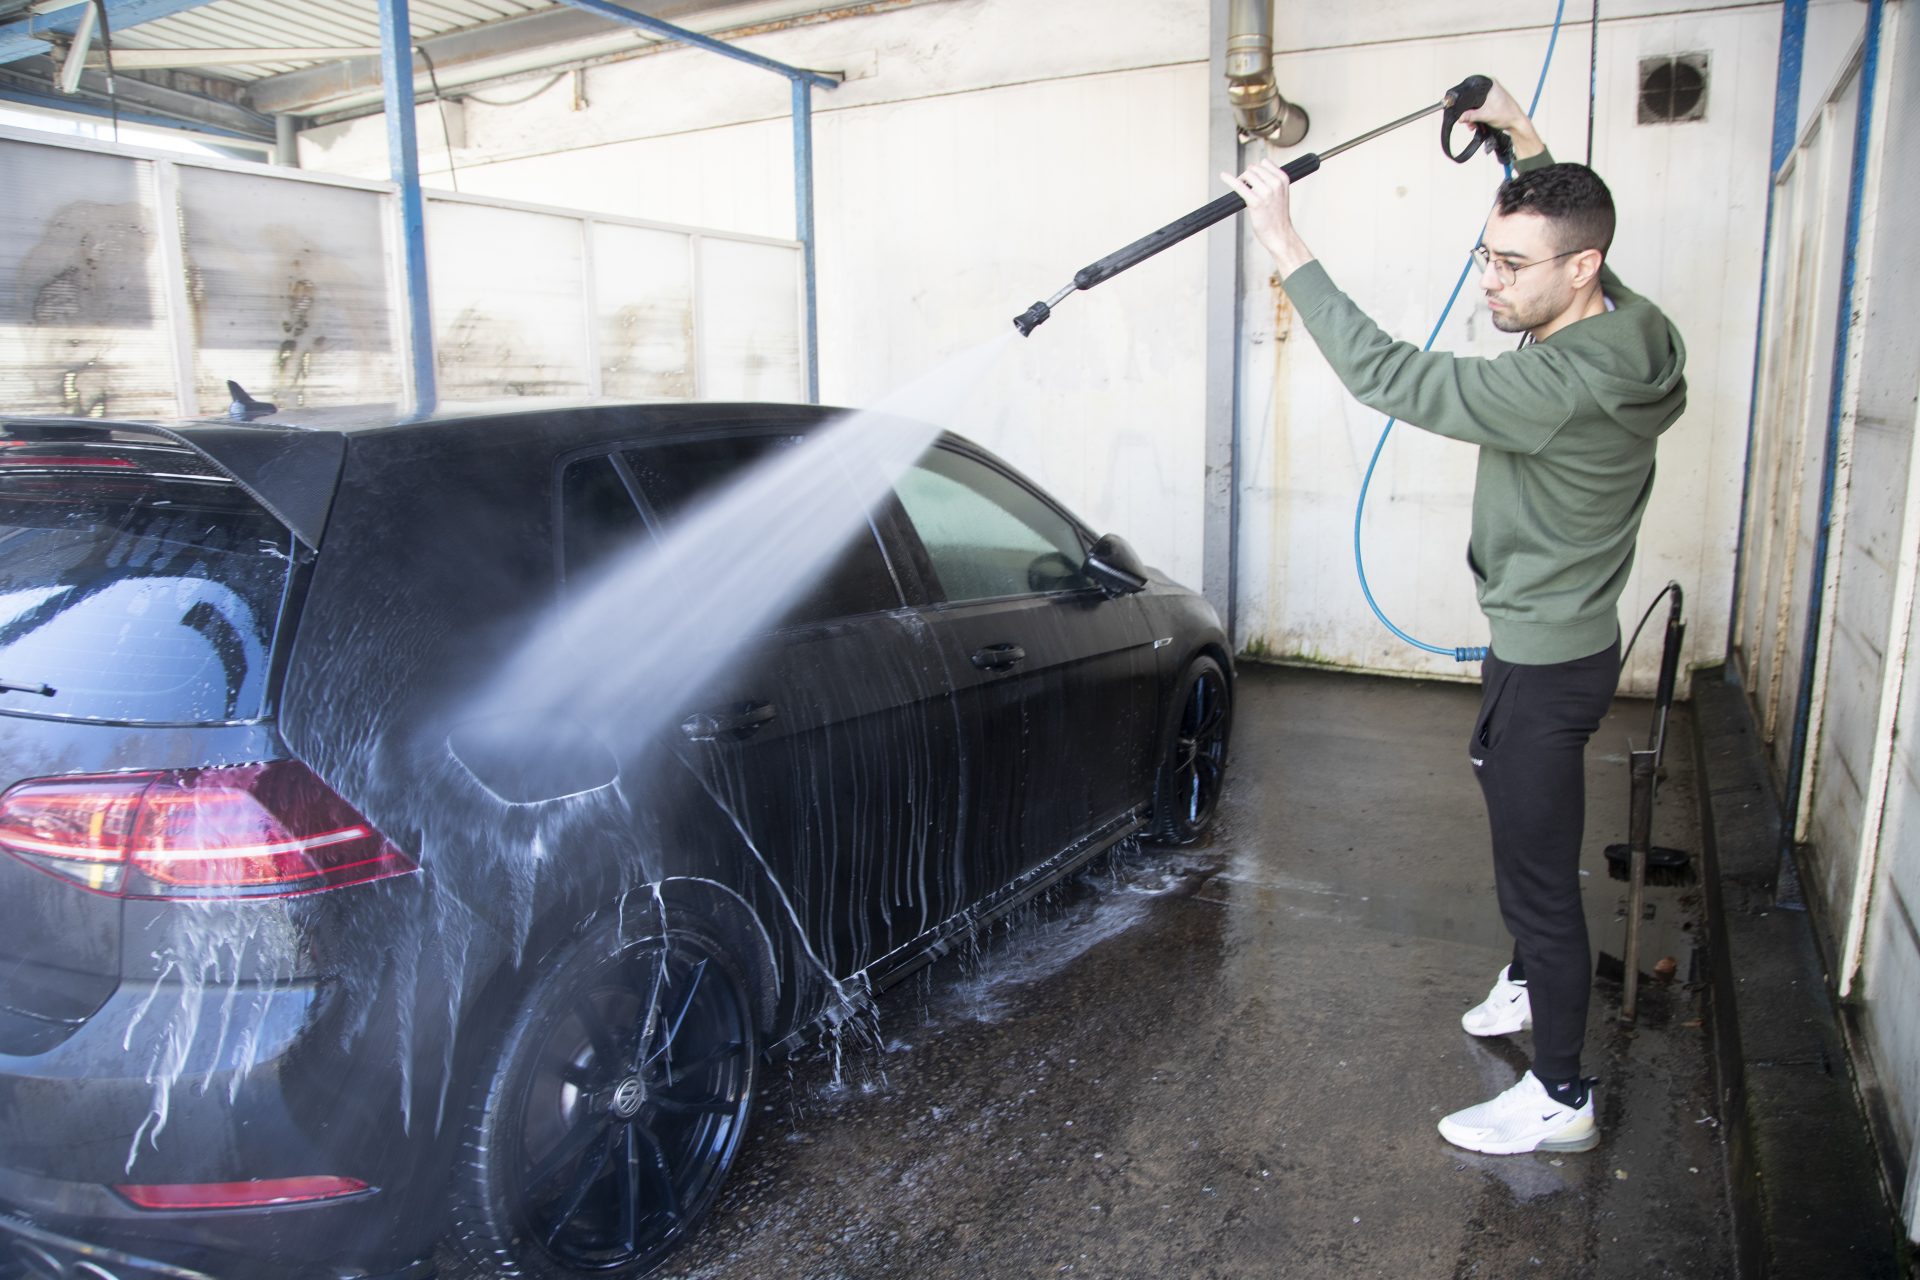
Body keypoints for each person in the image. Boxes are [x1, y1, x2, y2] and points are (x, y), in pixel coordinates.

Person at [1222, 79, 1686, 1156]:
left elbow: (1390, 374)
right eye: (1488, 253)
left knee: (1540, 877)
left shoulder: (1561, 383)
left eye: (1513, 266)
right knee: (1503, 792)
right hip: (1556, 637)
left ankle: (1561, 1095)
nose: (1490, 281)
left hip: (1549, 654)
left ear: (1580, 269)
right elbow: (1560, 220)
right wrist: (1519, 140)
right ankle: (1525, 975)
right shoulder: (1635, 322)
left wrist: (1287, 242)